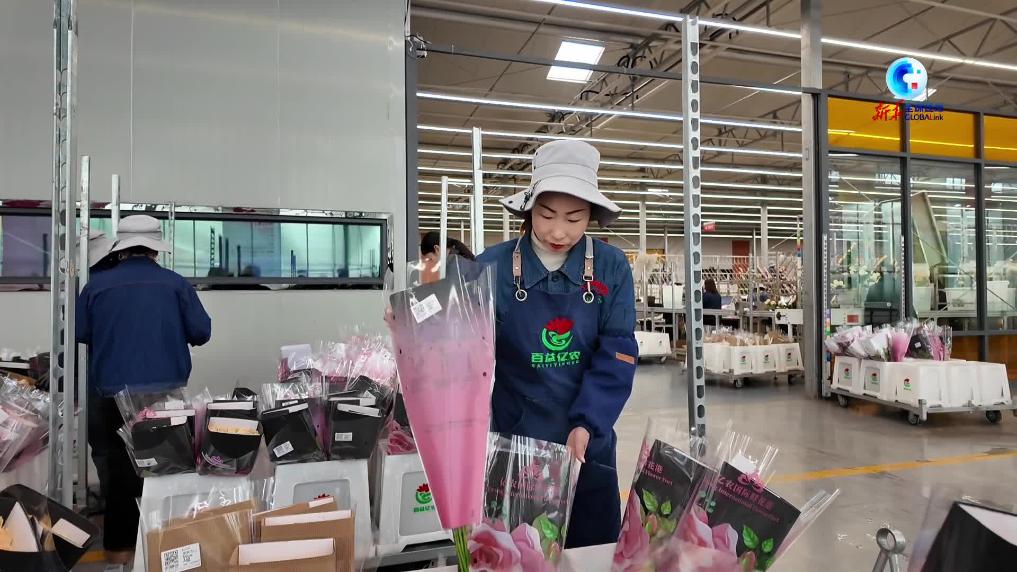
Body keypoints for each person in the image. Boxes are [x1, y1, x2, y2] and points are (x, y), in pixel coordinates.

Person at [476, 139, 637, 548]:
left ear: (592, 215)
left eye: (574, 218)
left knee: (590, 553)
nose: (559, 231)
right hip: (515, 445)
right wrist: (416, 326)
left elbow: (617, 352)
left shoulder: (611, 267)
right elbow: (458, 345)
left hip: (585, 444)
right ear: (529, 208)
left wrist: (589, 422)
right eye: (546, 215)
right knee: (519, 553)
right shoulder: (490, 266)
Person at [76, 215, 212, 564]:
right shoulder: (176, 284)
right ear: (155, 249)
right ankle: (165, 547)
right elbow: (201, 332)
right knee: (165, 470)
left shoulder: (95, 287)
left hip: (112, 394)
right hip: (164, 394)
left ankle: (120, 550)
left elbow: (81, 333)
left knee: (119, 471)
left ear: (120, 249)